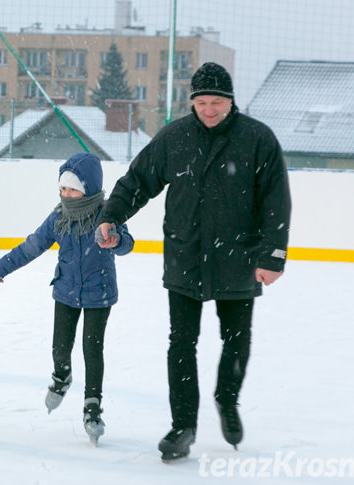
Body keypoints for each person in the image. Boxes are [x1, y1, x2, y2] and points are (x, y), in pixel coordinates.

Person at [96, 62, 292, 461]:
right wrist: (111, 215)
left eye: (216, 102)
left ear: (230, 100)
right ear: (193, 102)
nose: (209, 110)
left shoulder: (257, 139)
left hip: (238, 255)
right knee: (181, 343)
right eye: (202, 102)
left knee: (236, 339)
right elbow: (139, 181)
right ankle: (182, 426)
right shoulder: (176, 137)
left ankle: (227, 399)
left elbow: (276, 201)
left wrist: (272, 255)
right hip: (185, 255)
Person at [0, 152, 134, 445]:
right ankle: (62, 376)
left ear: (89, 189)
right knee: (60, 346)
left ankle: (92, 408)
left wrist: (116, 240)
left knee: (92, 349)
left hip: (99, 294)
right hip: (65, 291)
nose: (66, 194)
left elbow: (128, 244)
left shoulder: (107, 214)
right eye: (62, 188)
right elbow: (29, 248)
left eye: (72, 188)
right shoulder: (58, 217)